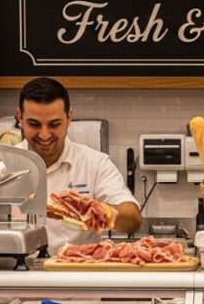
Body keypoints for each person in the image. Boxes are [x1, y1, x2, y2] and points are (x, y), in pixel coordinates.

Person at [16, 77, 142, 249]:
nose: (44, 135)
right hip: (12, 272)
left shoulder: (95, 163)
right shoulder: (1, 164)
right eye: (34, 124)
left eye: (54, 124)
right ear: (20, 118)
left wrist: (84, 209)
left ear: (69, 118)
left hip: (76, 271)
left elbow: (132, 220)